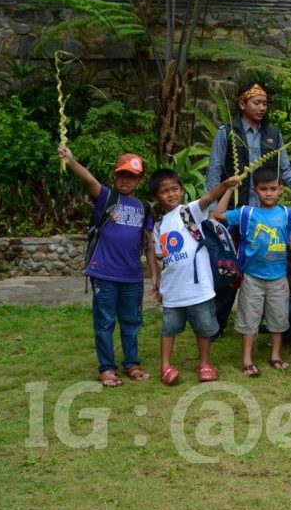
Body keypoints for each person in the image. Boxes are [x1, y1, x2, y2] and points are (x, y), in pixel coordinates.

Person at [204, 81, 291, 338]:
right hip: (235, 211)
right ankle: (215, 325)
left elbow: (284, 171)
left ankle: (266, 322)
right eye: (256, 103)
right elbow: (215, 170)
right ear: (242, 103)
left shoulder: (273, 134)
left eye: (264, 103)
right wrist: (211, 207)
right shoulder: (227, 132)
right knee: (227, 268)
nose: (262, 108)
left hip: (264, 212)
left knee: (262, 263)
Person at [59, 146, 158, 388]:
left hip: (132, 276)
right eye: (121, 175)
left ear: (140, 180)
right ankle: (106, 368)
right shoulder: (105, 197)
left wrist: (155, 274)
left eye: (132, 177)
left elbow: (148, 244)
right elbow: (89, 179)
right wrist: (71, 162)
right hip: (104, 273)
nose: (126, 180)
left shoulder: (144, 207)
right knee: (104, 322)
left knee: (132, 321)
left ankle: (132, 364)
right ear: (115, 176)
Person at [150, 169, 240, 386]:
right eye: (164, 191)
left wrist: (226, 185)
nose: (171, 194)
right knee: (169, 328)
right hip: (173, 291)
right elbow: (162, 256)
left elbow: (209, 197)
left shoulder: (189, 212)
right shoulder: (159, 226)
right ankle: (165, 365)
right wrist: (158, 281)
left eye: (174, 189)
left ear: (181, 191)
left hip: (199, 289)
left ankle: (205, 363)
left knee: (204, 328)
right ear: (156, 197)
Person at [211, 168, 291, 377]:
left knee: (278, 318)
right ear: (255, 190)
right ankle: (247, 359)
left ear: (280, 189)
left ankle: (276, 355)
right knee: (249, 318)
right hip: (252, 277)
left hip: (279, 277)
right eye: (263, 189)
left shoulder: (287, 213)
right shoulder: (246, 213)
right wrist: (228, 189)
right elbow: (218, 214)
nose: (268, 193)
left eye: (273, 189)